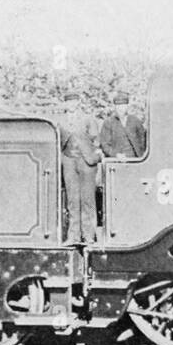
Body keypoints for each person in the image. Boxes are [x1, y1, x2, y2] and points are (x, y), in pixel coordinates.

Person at [58, 89, 102, 244]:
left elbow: (97, 141)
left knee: (88, 199)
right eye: (68, 101)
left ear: (78, 102)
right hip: (69, 161)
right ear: (65, 103)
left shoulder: (88, 119)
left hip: (86, 162)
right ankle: (73, 236)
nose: (71, 104)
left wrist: (94, 157)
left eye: (74, 101)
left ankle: (89, 235)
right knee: (72, 200)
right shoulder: (60, 121)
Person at [99, 93, 147, 159]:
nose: (121, 109)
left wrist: (142, 155)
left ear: (127, 106)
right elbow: (104, 144)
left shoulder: (135, 120)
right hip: (117, 160)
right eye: (118, 106)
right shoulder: (108, 122)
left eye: (123, 106)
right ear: (115, 107)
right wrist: (115, 154)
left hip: (136, 160)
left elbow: (142, 139)